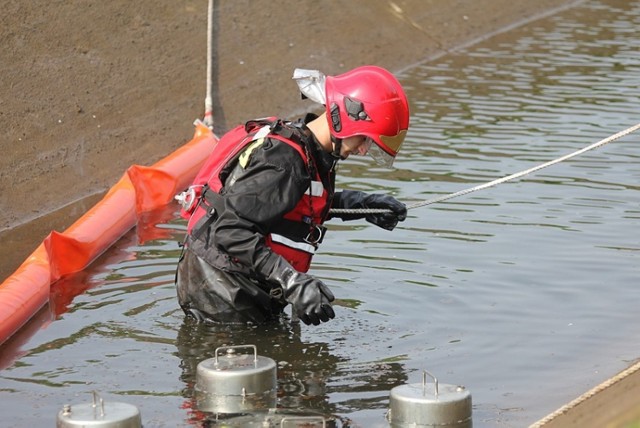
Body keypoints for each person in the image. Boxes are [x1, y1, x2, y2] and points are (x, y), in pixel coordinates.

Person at [175, 65, 410, 326]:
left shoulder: (309, 151)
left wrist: (364, 206)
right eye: (364, 140)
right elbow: (229, 230)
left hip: (239, 284)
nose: (364, 151)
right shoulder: (283, 161)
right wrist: (292, 281)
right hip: (222, 292)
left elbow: (296, 205)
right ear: (343, 118)